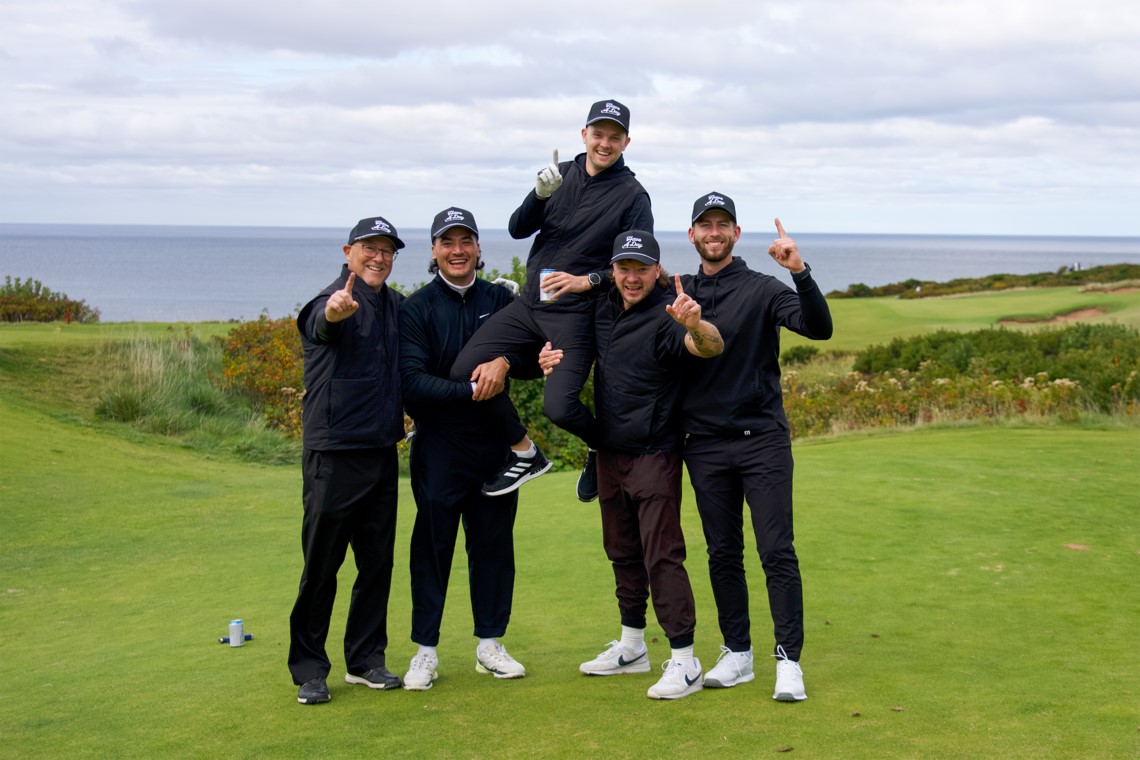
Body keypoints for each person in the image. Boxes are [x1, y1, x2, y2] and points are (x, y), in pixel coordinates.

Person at [540, 230, 723, 700]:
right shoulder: (604, 306)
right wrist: (545, 358)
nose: (632, 277)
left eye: (641, 268)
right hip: (609, 454)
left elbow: (709, 347)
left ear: (656, 270)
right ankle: (633, 647)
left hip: (654, 455)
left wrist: (697, 326)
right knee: (621, 551)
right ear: (615, 271)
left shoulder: (667, 316)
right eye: (624, 268)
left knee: (662, 555)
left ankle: (684, 661)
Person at [450, 99, 653, 503]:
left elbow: (639, 264)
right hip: (528, 306)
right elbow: (516, 229)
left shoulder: (632, 196)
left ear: (626, 142)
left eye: (614, 137)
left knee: (559, 408)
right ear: (584, 135)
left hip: (575, 315)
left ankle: (599, 448)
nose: (605, 143)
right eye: (598, 134)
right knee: (463, 372)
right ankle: (525, 452)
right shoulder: (558, 175)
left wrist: (587, 280)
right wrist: (539, 197)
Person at [679, 192, 833, 701]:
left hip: (761, 439)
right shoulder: (680, 294)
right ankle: (737, 653)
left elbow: (818, 327)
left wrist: (800, 270)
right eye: (706, 225)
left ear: (736, 234)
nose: (714, 232)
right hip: (703, 445)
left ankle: (789, 661)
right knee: (723, 553)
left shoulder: (764, 288)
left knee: (776, 552)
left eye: (723, 224)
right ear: (693, 235)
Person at [398, 207, 546, 691]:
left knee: (493, 550)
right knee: (433, 549)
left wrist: (504, 360)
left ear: (479, 249)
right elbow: (414, 385)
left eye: (467, 241)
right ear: (434, 250)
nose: (457, 250)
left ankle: (489, 645)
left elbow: (529, 356)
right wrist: (471, 390)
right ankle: (425, 651)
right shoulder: (415, 308)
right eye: (448, 241)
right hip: (439, 448)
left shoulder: (502, 298)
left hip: (495, 453)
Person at [288, 215, 407, 705]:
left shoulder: (397, 306)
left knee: (376, 565)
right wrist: (336, 312)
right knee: (322, 567)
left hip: (381, 453)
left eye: (387, 250)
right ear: (347, 252)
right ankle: (310, 668)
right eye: (368, 248)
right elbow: (320, 325)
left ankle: (365, 661)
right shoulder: (329, 300)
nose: (378, 257)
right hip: (333, 455)